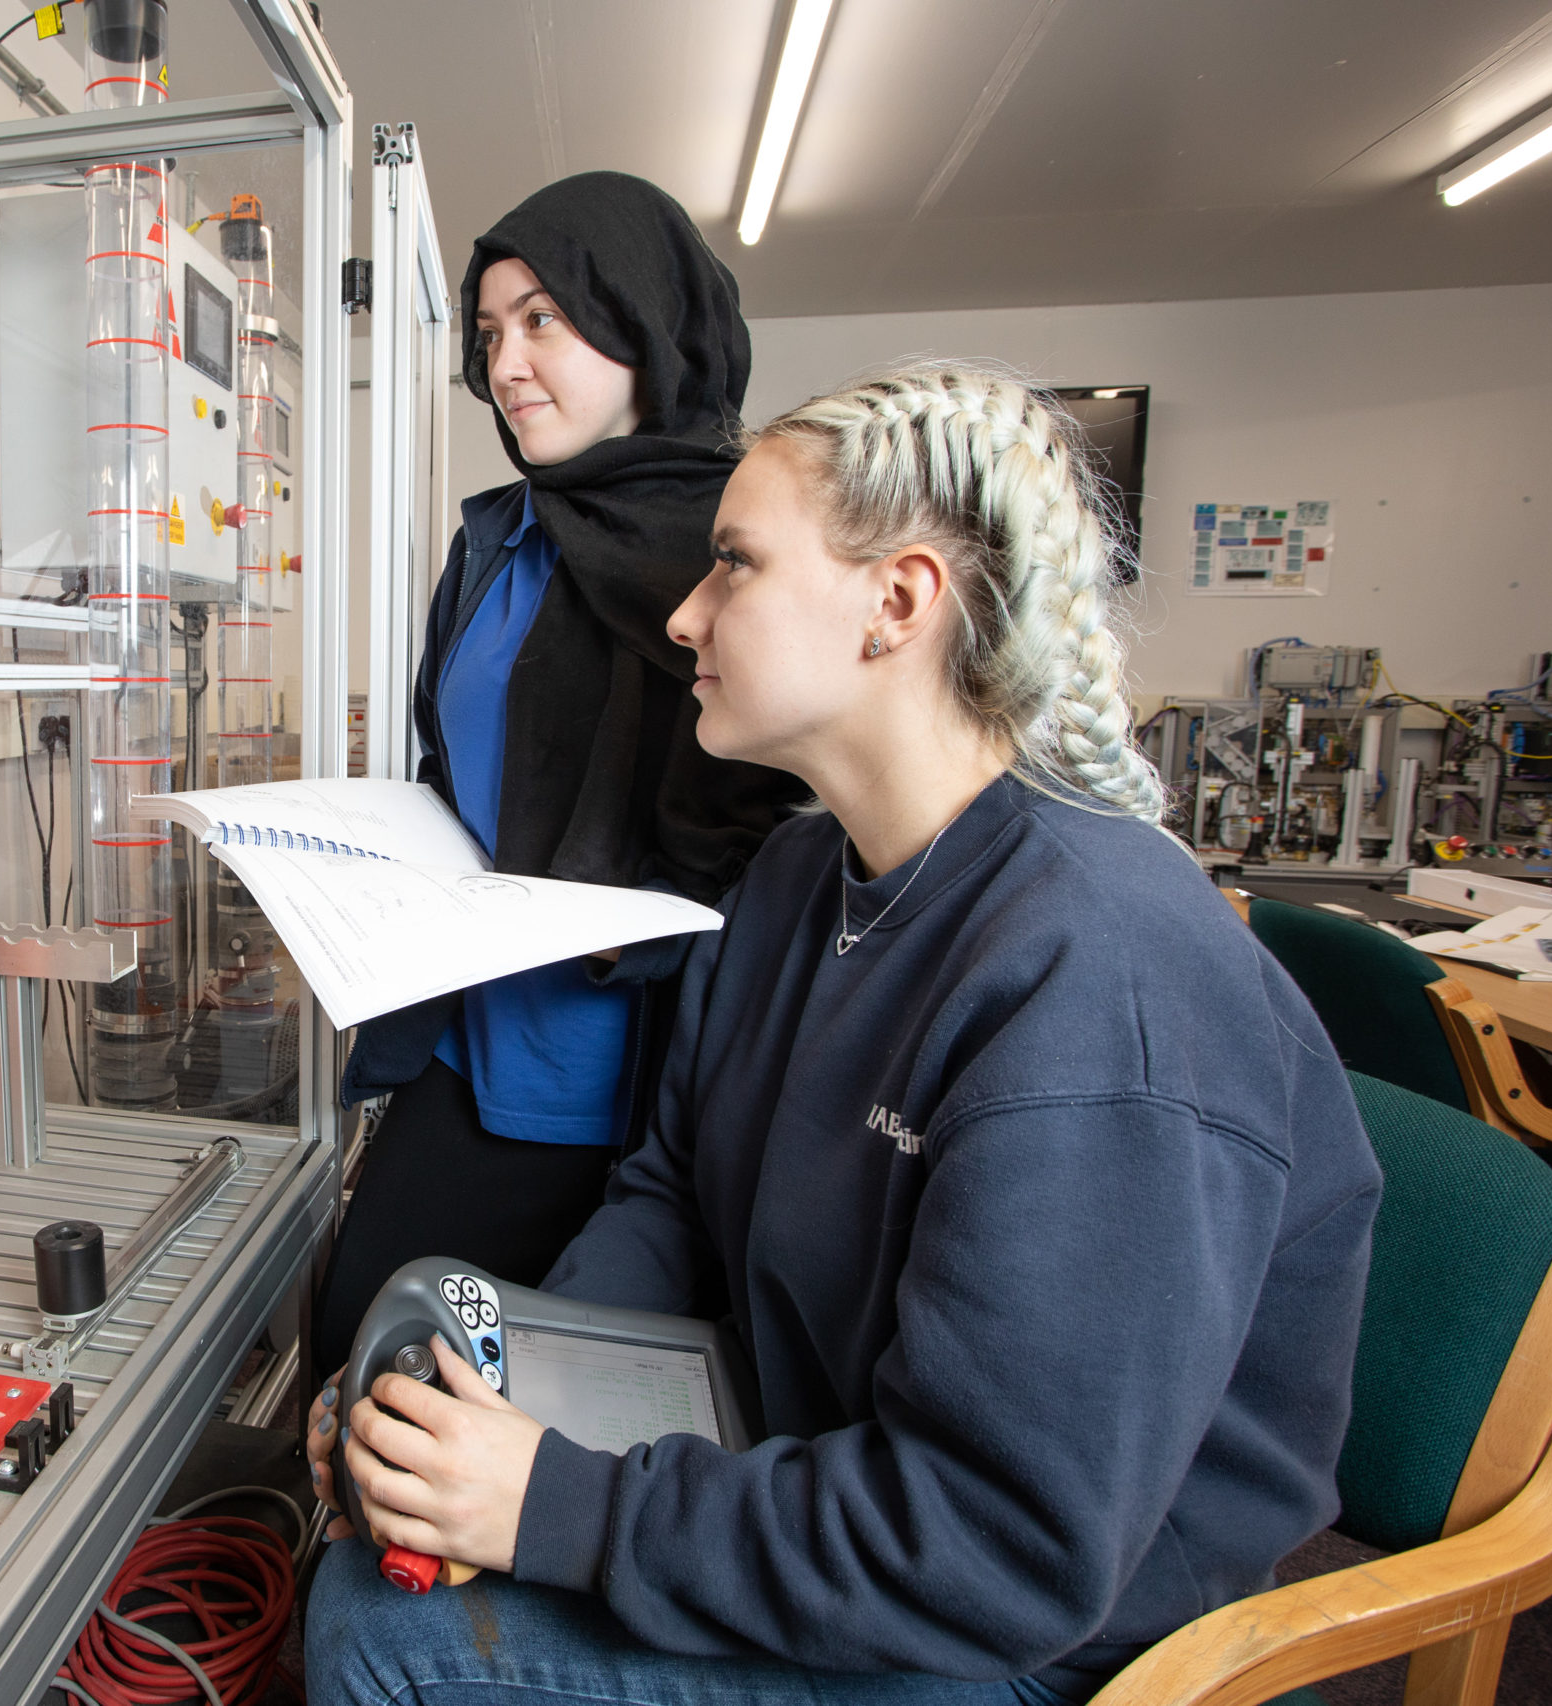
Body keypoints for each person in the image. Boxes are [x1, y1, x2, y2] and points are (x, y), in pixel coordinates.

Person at [302, 363, 1382, 1705]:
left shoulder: (1102, 979)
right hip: (828, 1472)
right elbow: (672, 1195)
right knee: (393, 1493)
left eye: (736, 565)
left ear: (897, 601)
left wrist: (556, 1506)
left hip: (1036, 1640)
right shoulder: (800, 883)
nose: (687, 611)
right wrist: (494, 1387)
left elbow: (1000, 1544)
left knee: (378, 1628)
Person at [311, 173, 806, 1376]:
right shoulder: (496, 534)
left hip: (628, 1079)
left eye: (543, 319)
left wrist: (622, 920)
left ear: (640, 324)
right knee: (353, 1344)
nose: (507, 364)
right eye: (488, 334)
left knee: (538, 1400)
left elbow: (771, 838)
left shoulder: (734, 548)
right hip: (464, 1035)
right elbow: (449, 761)